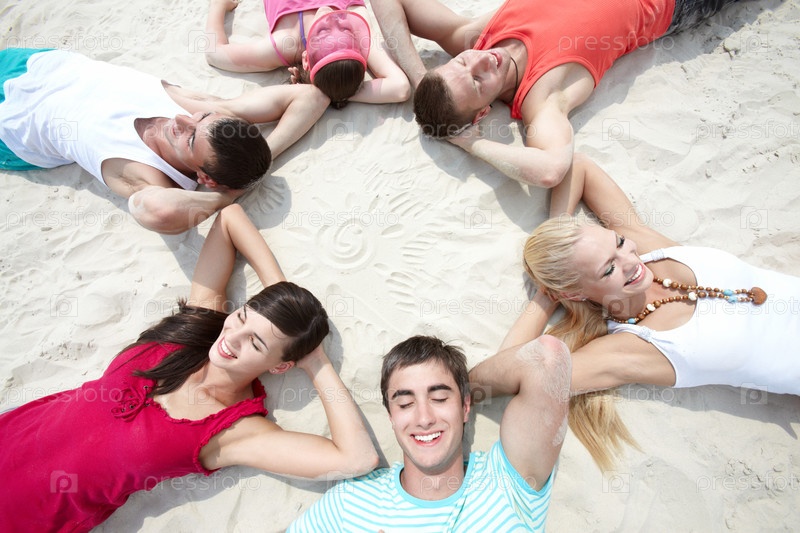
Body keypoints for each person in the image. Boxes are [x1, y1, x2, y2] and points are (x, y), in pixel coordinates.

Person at [0, 203, 379, 532]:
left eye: (256, 343)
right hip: (12, 434)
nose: (233, 337)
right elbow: (229, 218)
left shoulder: (231, 431)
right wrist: (280, 300)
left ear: (280, 367)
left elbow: (356, 459)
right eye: (242, 317)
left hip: (26, 514)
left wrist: (315, 360)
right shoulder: (196, 333)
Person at [500, 153, 800, 470]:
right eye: (607, 269)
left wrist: (564, 245)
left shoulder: (648, 253)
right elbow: (511, 369)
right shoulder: (631, 347)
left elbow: (579, 166)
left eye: (619, 242)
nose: (629, 260)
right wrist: (547, 297)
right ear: (574, 292)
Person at [371, 0, 745, 187]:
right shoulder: (541, 96)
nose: (484, 60)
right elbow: (551, 170)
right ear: (482, 112)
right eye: (478, 82)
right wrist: (473, 144)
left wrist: (419, 78)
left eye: (462, 62)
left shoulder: (473, 37)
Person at [0, 47, 330, 234]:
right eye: (200, 118)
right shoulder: (205, 113)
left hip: (13, 124)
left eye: (191, 138)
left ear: (205, 178)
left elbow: (157, 212)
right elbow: (312, 97)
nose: (181, 120)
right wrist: (261, 161)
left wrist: (225, 196)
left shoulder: (149, 177)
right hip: (40, 65)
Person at [289, 333, 571, 531]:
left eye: (439, 398)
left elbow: (547, 358)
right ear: (391, 417)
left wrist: (466, 383)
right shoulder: (352, 501)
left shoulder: (507, 482)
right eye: (405, 403)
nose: (424, 418)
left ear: (465, 407)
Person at [205, 0, 410, 107]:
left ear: (306, 59)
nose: (330, 17)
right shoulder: (356, 30)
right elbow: (400, 88)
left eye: (323, 31)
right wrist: (341, 92)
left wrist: (218, 5)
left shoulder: (286, 43)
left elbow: (214, 53)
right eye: (344, 27)